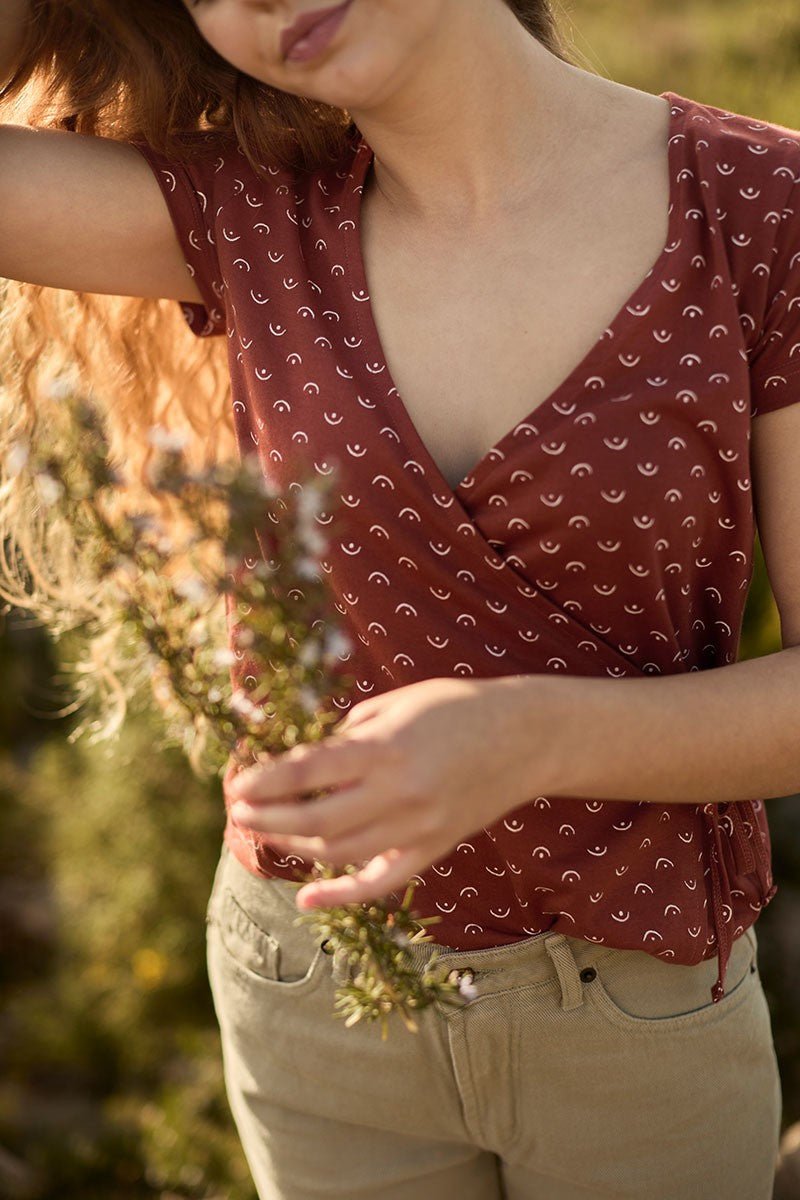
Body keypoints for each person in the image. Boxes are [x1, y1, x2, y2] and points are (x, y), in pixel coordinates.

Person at [0, 1, 795, 1196]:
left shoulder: (761, 209)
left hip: (634, 1005)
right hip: (311, 992)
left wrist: (523, 737)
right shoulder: (244, 213)